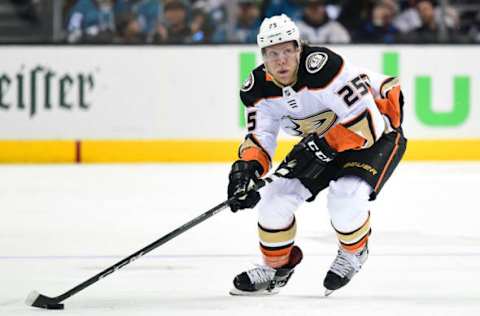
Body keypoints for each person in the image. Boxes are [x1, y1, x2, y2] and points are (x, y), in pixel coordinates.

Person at [227, 14, 407, 296]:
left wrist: (323, 147)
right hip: (325, 142)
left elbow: (369, 125)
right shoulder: (258, 89)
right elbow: (260, 138)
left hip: (377, 135)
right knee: (274, 200)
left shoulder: (323, 68)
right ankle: (276, 268)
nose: (281, 60)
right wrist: (247, 169)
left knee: (345, 198)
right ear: (263, 55)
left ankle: (354, 251)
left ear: (299, 48)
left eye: (287, 50)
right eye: (273, 53)